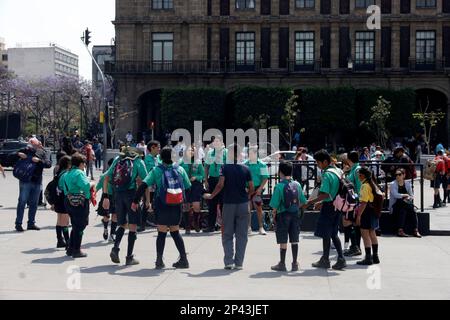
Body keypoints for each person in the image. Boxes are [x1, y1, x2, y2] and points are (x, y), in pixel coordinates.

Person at [132, 147, 192, 269]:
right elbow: (188, 187)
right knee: (175, 232)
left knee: (161, 232)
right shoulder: (180, 169)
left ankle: (159, 260)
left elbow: (143, 185)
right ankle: (184, 259)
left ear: (161, 157)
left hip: (162, 204)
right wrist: (187, 203)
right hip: (176, 204)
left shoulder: (156, 170)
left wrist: (135, 201)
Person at [204, 144, 254, 270]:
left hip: (229, 204)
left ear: (230, 153)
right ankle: (239, 263)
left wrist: (211, 196)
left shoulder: (224, 168)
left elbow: (220, 185)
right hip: (243, 204)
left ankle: (228, 261)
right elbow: (252, 187)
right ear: (240, 154)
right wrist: (247, 197)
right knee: (242, 235)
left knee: (227, 234)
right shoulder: (246, 168)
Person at [102, 146, 148, 266]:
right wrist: (147, 199)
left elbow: (106, 176)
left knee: (121, 224)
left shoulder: (118, 159)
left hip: (118, 194)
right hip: (131, 195)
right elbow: (146, 180)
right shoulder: (138, 161)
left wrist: (105, 196)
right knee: (132, 225)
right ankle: (129, 257)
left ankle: (115, 249)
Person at [306, 150, 347, 270]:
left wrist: (310, 202)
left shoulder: (327, 174)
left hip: (329, 207)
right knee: (334, 233)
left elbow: (325, 194)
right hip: (338, 205)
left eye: (318, 163)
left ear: (324, 161)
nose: (317, 165)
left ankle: (325, 259)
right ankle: (341, 258)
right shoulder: (338, 170)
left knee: (326, 233)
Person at [270, 161, 307, 272]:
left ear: (280, 172)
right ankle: (295, 263)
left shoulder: (279, 186)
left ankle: (282, 264)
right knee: (294, 239)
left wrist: (273, 215)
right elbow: (303, 201)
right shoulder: (297, 184)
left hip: (282, 215)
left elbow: (274, 205)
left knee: (283, 240)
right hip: (295, 215)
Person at [60, 153, 95, 258]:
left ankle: (70, 248)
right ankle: (76, 250)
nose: (84, 165)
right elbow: (86, 186)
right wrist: (92, 185)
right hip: (79, 202)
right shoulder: (79, 173)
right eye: (84, 163)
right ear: (80, 164)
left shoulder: (66, 173)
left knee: (75, 225)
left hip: (68, 201)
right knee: (80, 226)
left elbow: (61, 186)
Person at [14, 138, 52, 232]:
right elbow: (10, 156)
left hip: (37, 180)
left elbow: (48, 164)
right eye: (30, 144)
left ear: (38, 144)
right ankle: (18, 223)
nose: (31, 146)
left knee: (34, 203)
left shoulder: (42, 152)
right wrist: (18, 154)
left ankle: (31, 223)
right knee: (22, 202)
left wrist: (39, 160)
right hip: (25, 180)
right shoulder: (25, 150)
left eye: (34, 144)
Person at [355, 167, 381, 265]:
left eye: (359, 175)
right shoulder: (373, 184)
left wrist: (358, 216)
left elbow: (363, 203)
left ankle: (368, 258)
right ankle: (375, 256)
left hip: (366, 212)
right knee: (372, 233)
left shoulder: (364, 186)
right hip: (373, 211)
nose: (358, 176)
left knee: (365, 235)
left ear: (362, 175)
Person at [204, 135, 228, 233]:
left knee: (223, 204)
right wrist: (206, 180)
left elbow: (228, 166)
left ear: (222, 142)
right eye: (214, 141)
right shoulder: (210, 153)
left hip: (223, 179)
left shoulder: (225, 152)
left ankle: (225, 226)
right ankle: (211, 226)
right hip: (213, 179)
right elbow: (206, 167)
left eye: (218, 141)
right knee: (212, 204)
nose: (216, 143)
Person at [244, 145, 269, 235]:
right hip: (247, 189)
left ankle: (261, 227)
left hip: (258, 188)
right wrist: (245, 187)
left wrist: (260, 188)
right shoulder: (245, 164)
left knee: (259, 208)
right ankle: (248, 227)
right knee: (248, 209)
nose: (250, 155)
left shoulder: (262, 164)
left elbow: (265, 178)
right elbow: (242, 178)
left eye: (252, 153)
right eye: (249, 153)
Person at [180, 145, 205, 235]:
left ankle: (196, 222)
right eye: (190, 150)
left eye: (193, 150)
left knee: (196, 205)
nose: (192, 152)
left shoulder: (198, 162)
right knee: (186, 206)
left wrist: (196, 177)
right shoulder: (182, 162)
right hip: (185, 185)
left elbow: (203, 175)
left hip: (196, 185)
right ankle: (187, 226)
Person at [389, 168, 421, 238]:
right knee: (403, 203)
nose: (397, 176)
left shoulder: (407, 183)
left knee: (409, 210)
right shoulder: (393, 184)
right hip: (395, 206)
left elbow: (411, 195)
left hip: (405, 205)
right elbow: (395, 195)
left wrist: (408, 197)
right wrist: (405, 195)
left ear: (404, 175)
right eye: (396, 175)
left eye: (399, 174)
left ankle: (415, 230)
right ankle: (407, 231)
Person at [342, 151, 363, 257]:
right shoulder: (353, 169)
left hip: (354, 202)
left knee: (348, 222)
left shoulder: (356, 170)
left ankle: (355, 246)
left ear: (349, 160)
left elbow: (359, 187)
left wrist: (358, 200)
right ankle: (355, 247)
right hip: (353, 201)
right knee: (354, 224)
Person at [51, 154, 72, 249]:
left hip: (58, 199)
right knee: (65, 222)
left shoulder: (59, 173)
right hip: (64, 199)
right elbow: (66, 188)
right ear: (67, 164)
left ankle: (60, 240)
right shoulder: (66, 174)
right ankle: (68, 242)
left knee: (59, 221)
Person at [141, 140, 162, 232]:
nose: (159, 149)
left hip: (158, 184)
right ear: (152, 148)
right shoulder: (147, 159)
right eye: (158, 147)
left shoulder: (158, 158)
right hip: (150, 185)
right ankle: (142, 224)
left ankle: (159, 223)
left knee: (157, 204)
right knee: (147, 203)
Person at [96, 158, 118, 242]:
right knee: (107, 215)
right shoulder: (105, 175)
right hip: (107, 197)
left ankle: (112, 234)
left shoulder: (119, 174)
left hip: (114, 197)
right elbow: (97, 188)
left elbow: (97, 188)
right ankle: (106, 229)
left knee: (115, 215)